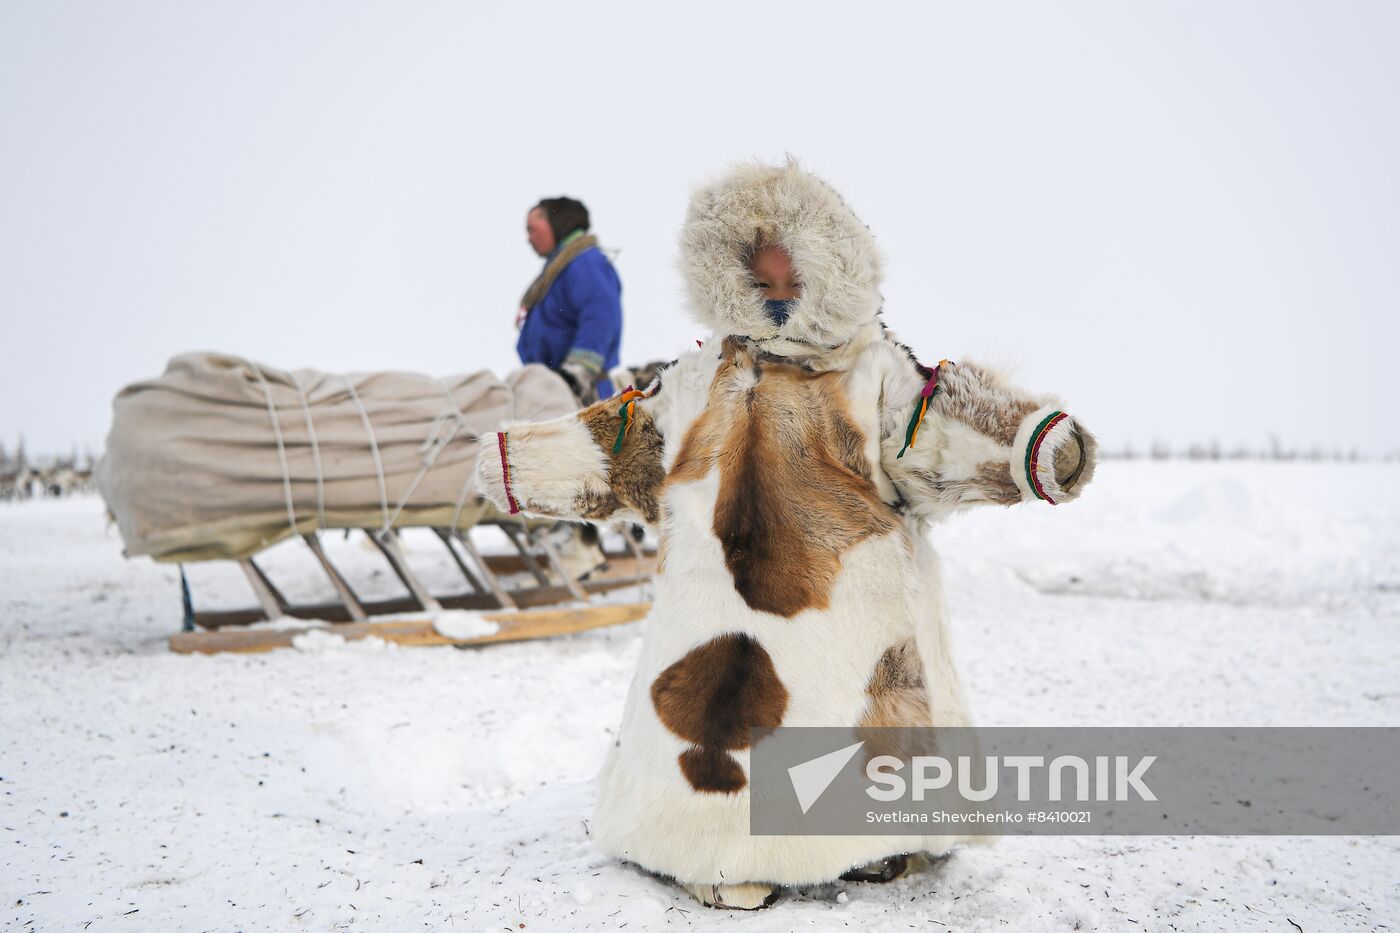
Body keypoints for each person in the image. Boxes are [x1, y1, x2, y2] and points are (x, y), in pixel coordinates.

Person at [476, 161, 1094, 910]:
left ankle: (875, 837)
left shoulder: (873, 368)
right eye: (760, 287)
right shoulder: (704, 374)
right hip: (715, 617)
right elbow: (628, 443)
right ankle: (713, 844)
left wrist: (1030, 445)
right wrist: (530, 465)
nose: (775, 304)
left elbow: (938, 429)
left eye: (790, 286)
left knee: (854, 713)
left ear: (830, 273)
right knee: (719, 729)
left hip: (847, 611)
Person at [516, 197, 623, 403]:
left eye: (532, 229)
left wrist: (577, 373)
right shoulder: (558, 270)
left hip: (580, 394)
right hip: (551, 390)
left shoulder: (585, 261)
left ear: (556, 223)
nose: (529, 238)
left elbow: (600, 314)